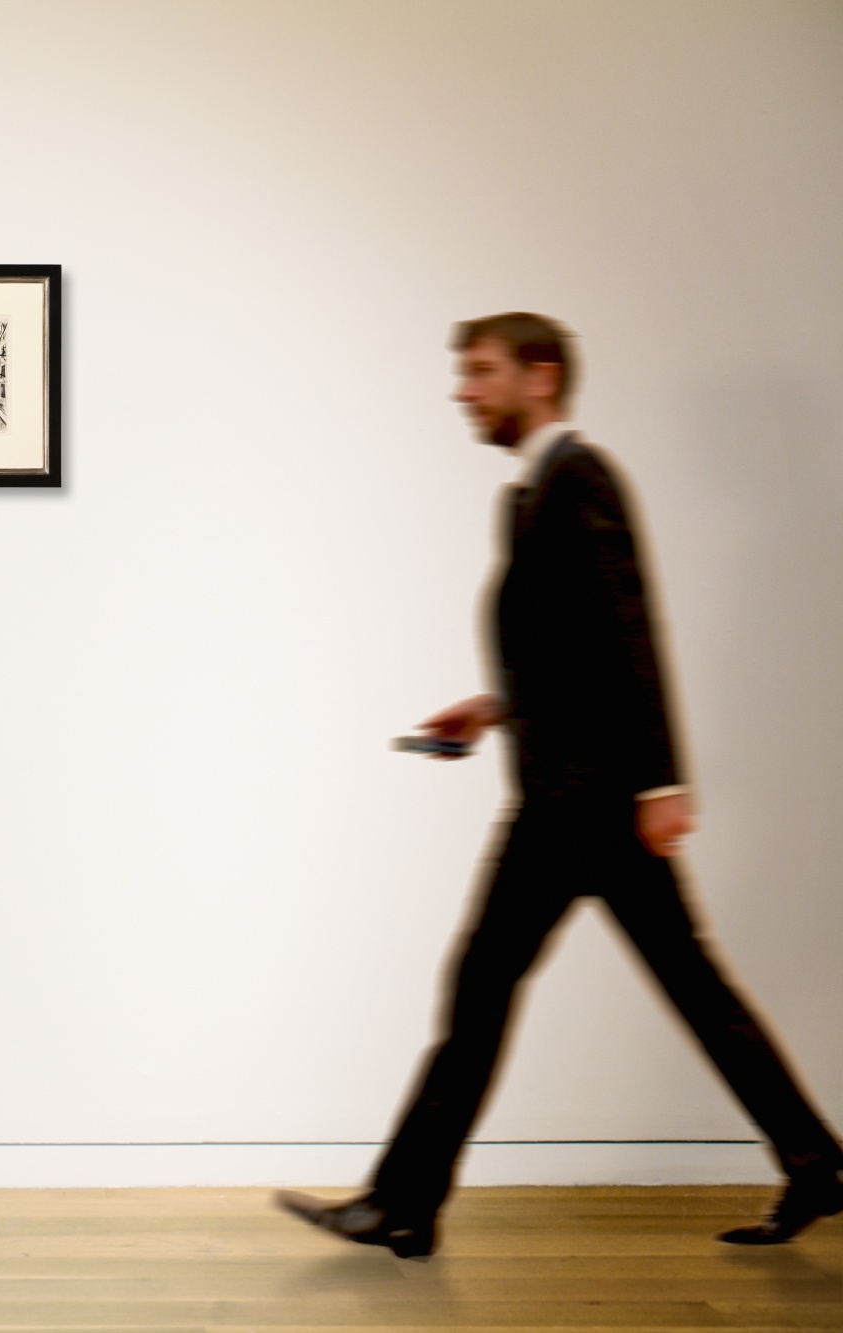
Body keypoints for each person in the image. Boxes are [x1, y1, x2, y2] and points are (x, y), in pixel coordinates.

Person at [276, 313, 843, 1259]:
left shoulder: (581, 476)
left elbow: (631, 630)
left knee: (486, 987)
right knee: (684, 986)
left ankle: (403, 1202)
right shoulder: (528, 496)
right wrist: (495, 707)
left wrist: (664, 781)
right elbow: (574, 649)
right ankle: (817, 1162)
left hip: (587, 802)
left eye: (482, 372)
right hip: (574, 794)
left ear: (541, 377)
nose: (464, 391)